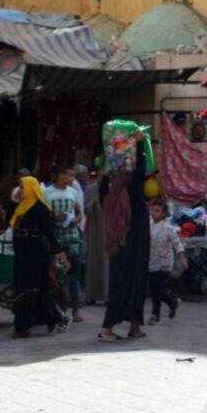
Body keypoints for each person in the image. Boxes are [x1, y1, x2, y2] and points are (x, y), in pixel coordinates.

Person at [99, 129, 150, 342]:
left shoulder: (109, 194)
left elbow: (133, 175)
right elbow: (139, 173)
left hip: (118, 247)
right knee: (134, 284)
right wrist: (138, 147)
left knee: (120, 284)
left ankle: (132, 327)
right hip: (134, 245)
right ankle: (109, 328)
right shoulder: (130, 194)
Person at [9, 176, 69, 338]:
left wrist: (58, 251)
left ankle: (23, 326)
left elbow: (49, 234)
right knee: (30, 289)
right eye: (19, 187)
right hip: (22, 254)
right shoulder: (21, 207)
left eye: (22, 187)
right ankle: (51, 318)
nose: (19, 191)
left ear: (31, 188)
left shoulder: (41, 209)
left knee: (31, 290)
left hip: (35, 254)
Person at [43, 164, 84, 322]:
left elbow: (79, 212)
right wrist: (54, 218)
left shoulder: (73, 192)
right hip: (55, 240)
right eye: (70, 175)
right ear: (60, 175)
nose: (72, 179)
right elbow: (44, 216)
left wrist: (77, 220)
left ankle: (75, 310)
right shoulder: (46, 192)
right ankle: (58, 309)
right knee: (56, 276)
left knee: (73, 275)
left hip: (71, 238)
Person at [146, 200, 188, 325]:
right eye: (152, 210)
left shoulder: (168, 228)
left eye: (157, 211)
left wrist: (182, 259)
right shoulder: (148, 224)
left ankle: (156, 314)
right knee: (156, 288)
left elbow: (177, 244)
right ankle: (172, 302)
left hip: (164, 262)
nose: (153, 213)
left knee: (156, 288)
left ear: (163, 214)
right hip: (151, 260)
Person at [82, 161, 108, 305]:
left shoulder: (113, 190)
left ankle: (106, 295)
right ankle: (91, 295)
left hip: (109, 230)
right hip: (94, 231)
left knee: (107, 264)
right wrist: (94, 203)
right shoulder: (91, 189)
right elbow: (84, 208)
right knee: (93, 262)